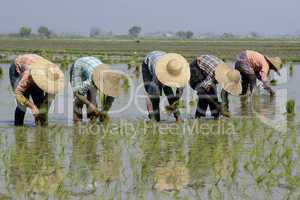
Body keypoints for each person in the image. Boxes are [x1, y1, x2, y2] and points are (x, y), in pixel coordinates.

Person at [9, 54, 64, 126]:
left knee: (39, 103)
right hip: (17, 67)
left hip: (35, 64)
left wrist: (44, 109)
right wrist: (32, 107)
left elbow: (50, 96)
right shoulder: (29, 75)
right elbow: (18, 94)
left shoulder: (55, 76)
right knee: (22, 106)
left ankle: (41, 128)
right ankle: (18, 128)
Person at [70, 57, 122, 124]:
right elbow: (77, 93)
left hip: (94, 66)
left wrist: (104, 112)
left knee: (92, 97)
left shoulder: (112, 81)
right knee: (79, 101)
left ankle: (92, 122)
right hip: (79, 66)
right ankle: (77, 122)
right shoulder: (91, 80)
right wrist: (91, 106)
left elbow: (110, 99)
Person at [142, 51, 190, 122]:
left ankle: (178, 118)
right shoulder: (158, 72)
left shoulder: (179, 69)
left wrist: (175, 102)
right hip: (148, 62)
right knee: (153, 95)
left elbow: (179, 90)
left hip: (163, 58)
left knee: (169, 92)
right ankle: (155, 118)